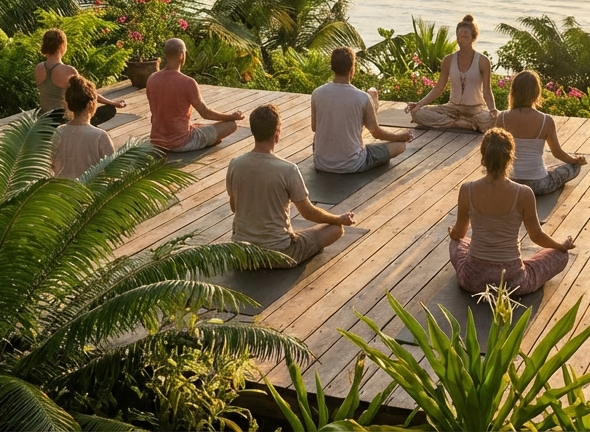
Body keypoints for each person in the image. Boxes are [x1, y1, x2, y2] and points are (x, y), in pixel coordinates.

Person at [226, 104, 356, 267]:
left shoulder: (235, 164)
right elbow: (308, 213)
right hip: (279, 253)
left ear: (253, 131)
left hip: (242, 254)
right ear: (277, 133)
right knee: (336, 229)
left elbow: (234, 207)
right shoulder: (288, 169)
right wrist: (339, 219)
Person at [449, 129, 575, 295]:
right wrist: (561, 246)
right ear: (510, 157)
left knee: (457, 243)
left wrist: (453, 233)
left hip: (473, 279)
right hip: (512, 281)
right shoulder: (523, 193)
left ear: (483, 157)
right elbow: (536, 236)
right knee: (561, 256)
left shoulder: (467, 189)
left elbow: (459, 233)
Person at [311, 47, 413, 173]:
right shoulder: (362, 98)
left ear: (332, 67)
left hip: (321, 163)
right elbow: (376, 133)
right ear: (352, 69)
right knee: (400, 146)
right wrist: (399, 137)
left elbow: (315, 128)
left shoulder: (317, 93)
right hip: (353, 164)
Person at [495, 70, 586, 195]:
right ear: (536, 93)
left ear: (513, 92)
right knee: (573, 167)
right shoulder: (546, 120)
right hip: (539, 184)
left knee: (549, 166)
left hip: (510, 183)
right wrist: (576, 160)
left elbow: (495, 151)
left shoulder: (502, 118)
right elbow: (557, 153)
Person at [147, 38, 243, 152]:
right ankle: (208, 140)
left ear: (166, 55)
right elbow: (205, 113)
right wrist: (231, 117)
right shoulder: (188, 82)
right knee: (231, 125)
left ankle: (206, 137)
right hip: (181, 143)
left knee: (198, 125)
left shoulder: (152, 78)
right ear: (182, 55)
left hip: (156, 140)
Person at [408, 15, 498, 131]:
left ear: (473, 37)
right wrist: (419, 104)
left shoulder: (483, 61)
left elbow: (487, 90)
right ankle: (460, 124)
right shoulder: (448, 60)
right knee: (418, 113)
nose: (462, 38)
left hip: (476, 109)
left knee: (494, 119)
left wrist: (492, 109)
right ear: (456, 37)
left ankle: (459, 122)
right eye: (460, 35)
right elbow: (439, 87)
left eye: (466, 35)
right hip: (452, 108)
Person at [36, 28, 126, 125]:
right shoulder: (68, 70)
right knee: (109, 110)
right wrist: (113, 103)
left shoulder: (39, 67)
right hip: (62, 119)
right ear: (62, 46)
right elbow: (89, 94)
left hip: (44, 118)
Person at [52, 75, 117, 180]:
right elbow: (113, 171)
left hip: (63, 191)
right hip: (91, 192)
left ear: (68, 105)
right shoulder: (100, 136)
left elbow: (52, 165)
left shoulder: (59, 131)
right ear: (91, 104)